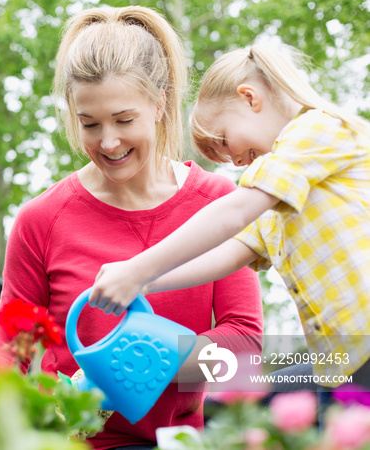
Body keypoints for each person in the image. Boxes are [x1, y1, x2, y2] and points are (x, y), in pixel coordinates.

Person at [0, 6, 263, 450]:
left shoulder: (219, 204)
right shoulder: (40, 221)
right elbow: (7, 356)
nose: (108, 142)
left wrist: (144, 357)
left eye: (123, 120)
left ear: (159, 103)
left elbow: (246, 352)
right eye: (89, 124)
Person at [89, 43, 370, 391]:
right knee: (247, 405)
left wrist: (139, 267)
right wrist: (146, 283)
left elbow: (233, 214)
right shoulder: (276, 201)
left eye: (223, 140)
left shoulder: (316, 131)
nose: (234, 162)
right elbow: (228, 253)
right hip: (344, 362)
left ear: (249, 99)